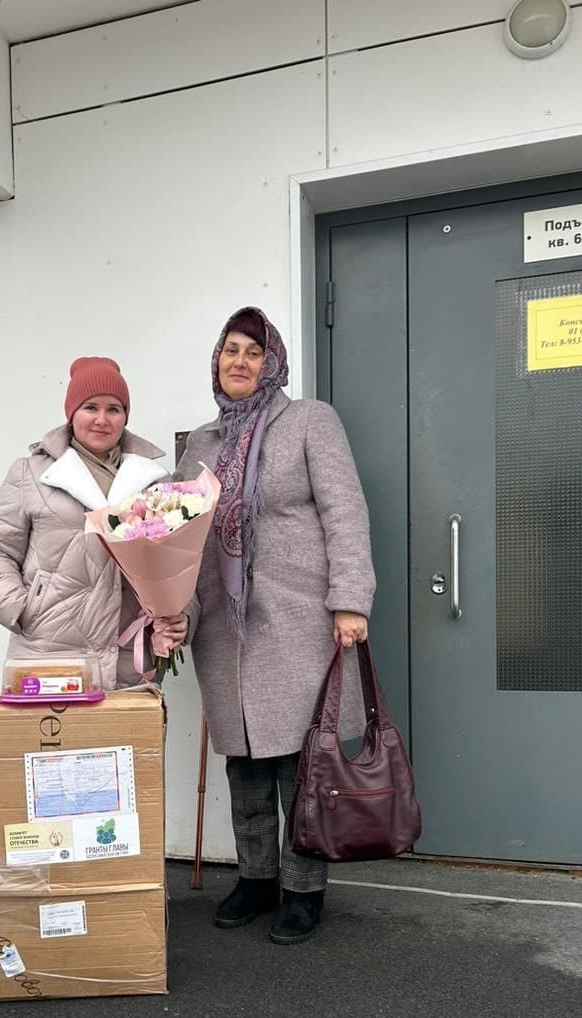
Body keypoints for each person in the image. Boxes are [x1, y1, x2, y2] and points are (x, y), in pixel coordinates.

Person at [164, 306, 375, 944]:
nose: (240, 361)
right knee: (246, 760)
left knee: (302, 762)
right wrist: (176, 609)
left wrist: (350, 600)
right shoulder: (200, 445)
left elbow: (345, 512)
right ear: (216, 361)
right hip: (226, 626)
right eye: (230, 350)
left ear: (272, 362)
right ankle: (256, 878)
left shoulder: (309, 420)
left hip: (299, 617)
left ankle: (303, 889)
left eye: (253, 352)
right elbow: (178, 539)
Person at [0, 356, 170, 690]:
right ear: (72, 413)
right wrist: (21, 609)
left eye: (114, 409)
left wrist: (178, 615)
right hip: (48, 653)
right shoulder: (30, 473)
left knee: (122, 728)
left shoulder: (153, 480)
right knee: (52, 727)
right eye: (90, 407)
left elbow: (176, 563)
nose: (101, 420)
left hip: (126, 660)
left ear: (125, 416)